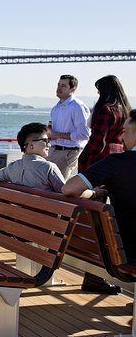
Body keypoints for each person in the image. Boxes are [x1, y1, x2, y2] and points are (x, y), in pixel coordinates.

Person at [62, 110, 136, 290]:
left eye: (124, 131)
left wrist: (94, 193)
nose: (121, 136)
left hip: (128, 252)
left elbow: (69, 189)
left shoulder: (116, 163)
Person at [0, 123, 66, 192]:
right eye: (46, 140)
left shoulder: (13, 167)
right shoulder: (49, 168)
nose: (49, 144)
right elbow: (66, 193)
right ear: (31, 145)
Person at [78, 75, 132, 172]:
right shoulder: (126, 110)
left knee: (94, 187)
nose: (98, 93)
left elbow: (98, 140)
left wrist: (84, 156)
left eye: (99, 91)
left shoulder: (106, 110)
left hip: (102, 158)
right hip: (120, 154)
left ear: (105, 91)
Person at [47, 74, 91, 179]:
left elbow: (84, 134)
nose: (58, 88)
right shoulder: (56, 108)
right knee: (47, 184)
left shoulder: (77, 106)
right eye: (58, 85)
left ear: (73, 89)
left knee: (59, 187)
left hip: (68, 151)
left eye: (63, 86)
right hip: (54, 150)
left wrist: (57, 135)